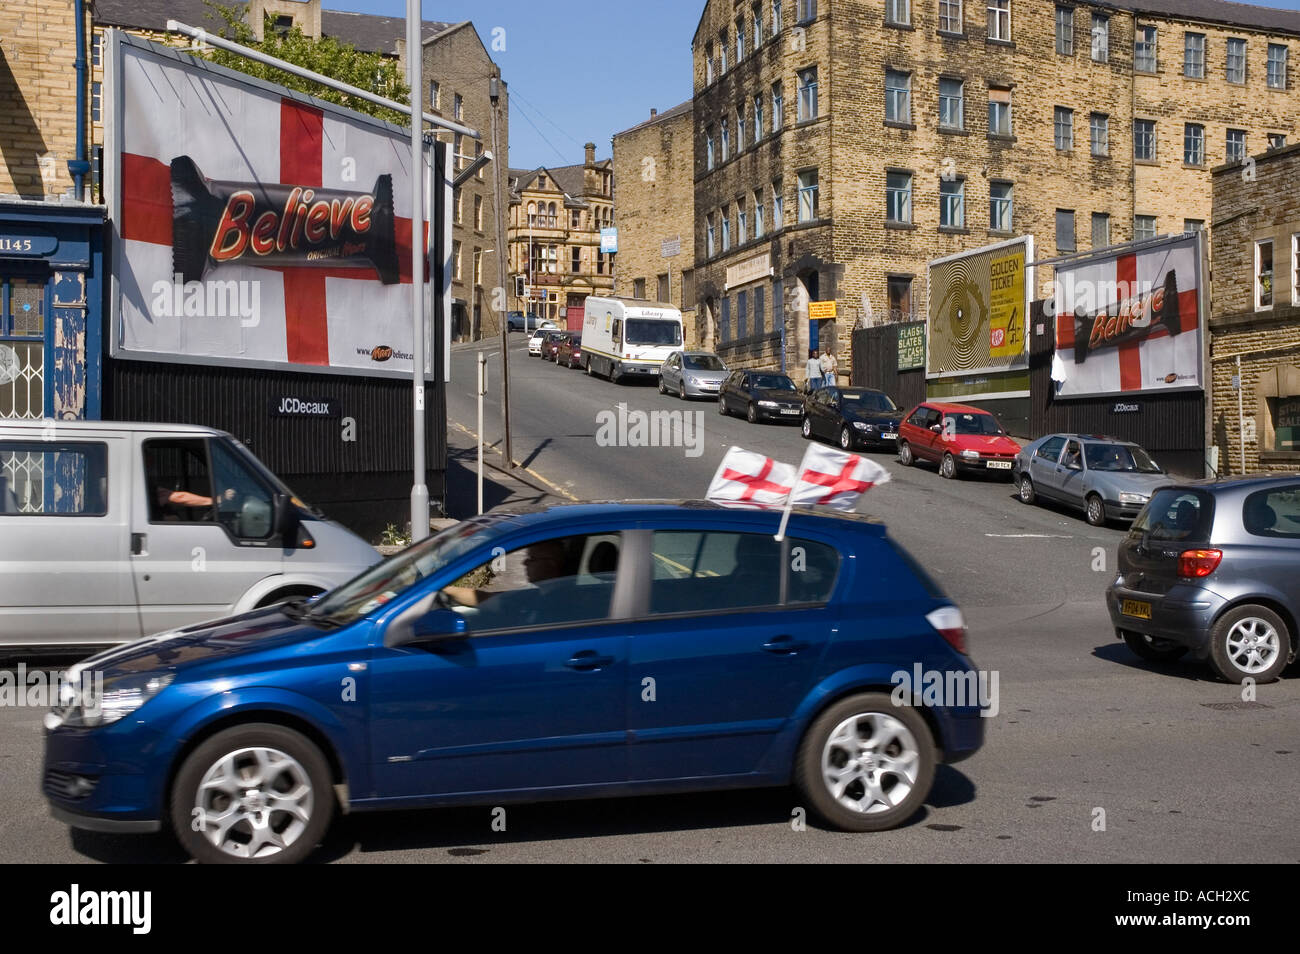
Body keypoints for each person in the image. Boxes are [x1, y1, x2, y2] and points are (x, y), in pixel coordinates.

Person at [442, 538, 568, 607]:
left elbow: (488, 600)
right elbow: (485, 598)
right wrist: (445, 589)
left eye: (533, 559)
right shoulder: (535, 594)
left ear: (551, 565)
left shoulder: (555, 603)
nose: (525, 563)